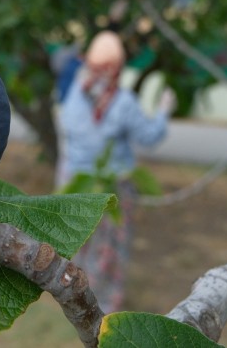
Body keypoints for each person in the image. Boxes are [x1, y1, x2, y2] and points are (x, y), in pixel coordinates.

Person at [56, 30, 174, 312]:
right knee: (108, 251)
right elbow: (149, 136)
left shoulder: (74, 91)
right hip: (111, 189)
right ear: (118, 68)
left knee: (79, 242)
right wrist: (164, 110)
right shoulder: (122, 102)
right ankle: (103, 307)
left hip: (73, 183)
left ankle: (75, 297)